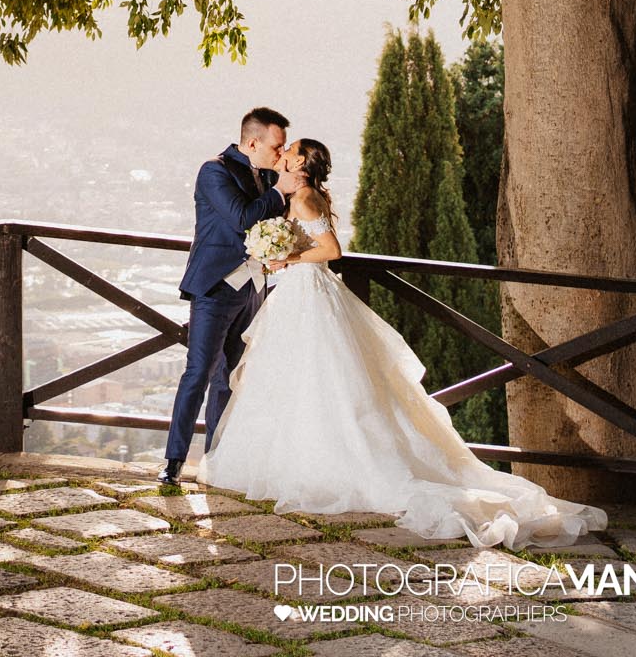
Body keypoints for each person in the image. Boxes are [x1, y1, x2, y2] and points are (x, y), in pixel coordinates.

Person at [196, 137, 610, 551]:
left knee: (318, 377)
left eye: (290, 149)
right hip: (301, 294)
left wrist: (287, 259)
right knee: (303, 378)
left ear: (301, 161)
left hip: (308, 292)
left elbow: (331, 250)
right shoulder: (307, 194)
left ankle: (326, 463)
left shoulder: (304, 198)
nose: (283, 152)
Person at [160, 107, 301, 488]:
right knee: (199, 372)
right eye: (276, 145)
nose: (280, 152)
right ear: (252, 141)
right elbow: (241, 217)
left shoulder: (270, 174)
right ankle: (173, 461)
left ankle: (216, 460)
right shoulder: (215, 170)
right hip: (215, 288)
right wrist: (278, 192)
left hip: (254, 288)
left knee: (230, 379)